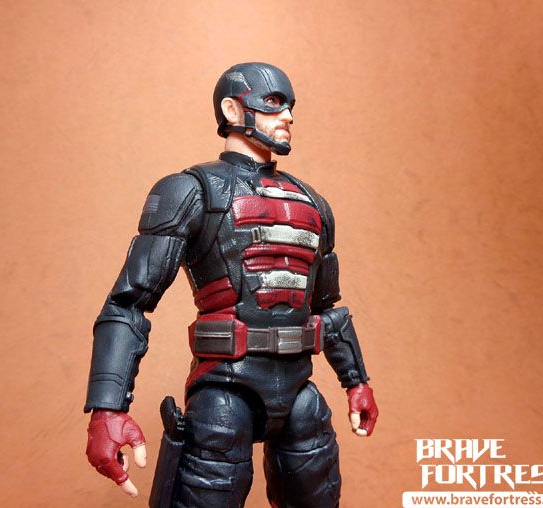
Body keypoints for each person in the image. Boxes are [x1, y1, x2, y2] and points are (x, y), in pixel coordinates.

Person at [84, 62, 379, 508]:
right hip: (224, 388)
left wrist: (356, 381)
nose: (288, 116)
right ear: (231, 109)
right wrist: (107, 408)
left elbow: (326, 307)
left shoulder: (313, 203)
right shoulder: (192, 191)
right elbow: (128, 303)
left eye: (290, 106)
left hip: (299, 390)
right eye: (273, 103)